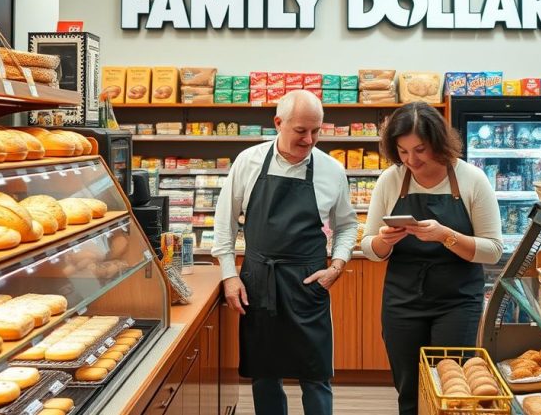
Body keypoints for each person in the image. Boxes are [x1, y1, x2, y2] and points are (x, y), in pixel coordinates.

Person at [212, 90, 359, 415]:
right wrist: (229, 276)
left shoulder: (331, 170)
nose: (309, 140)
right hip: (258, 281)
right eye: (301, 131)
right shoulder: (248, 162)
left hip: (309, 283)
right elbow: (224, 224)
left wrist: (336, 265)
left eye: (316, 131)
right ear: (278, 123)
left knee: (316, 376)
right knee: (265, 375)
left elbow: (348, 225)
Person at [360, 102, 503, 415]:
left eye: (420, 149)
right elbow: (370, 249)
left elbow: (493, 249)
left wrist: (444, 235)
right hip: (402, 301)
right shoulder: (391, 180)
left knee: (451, 388)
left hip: (457, 302)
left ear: (439, 142)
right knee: (408, 388)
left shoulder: (471, 179)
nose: (412, 160)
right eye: (403, 151)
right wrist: (384, 241)